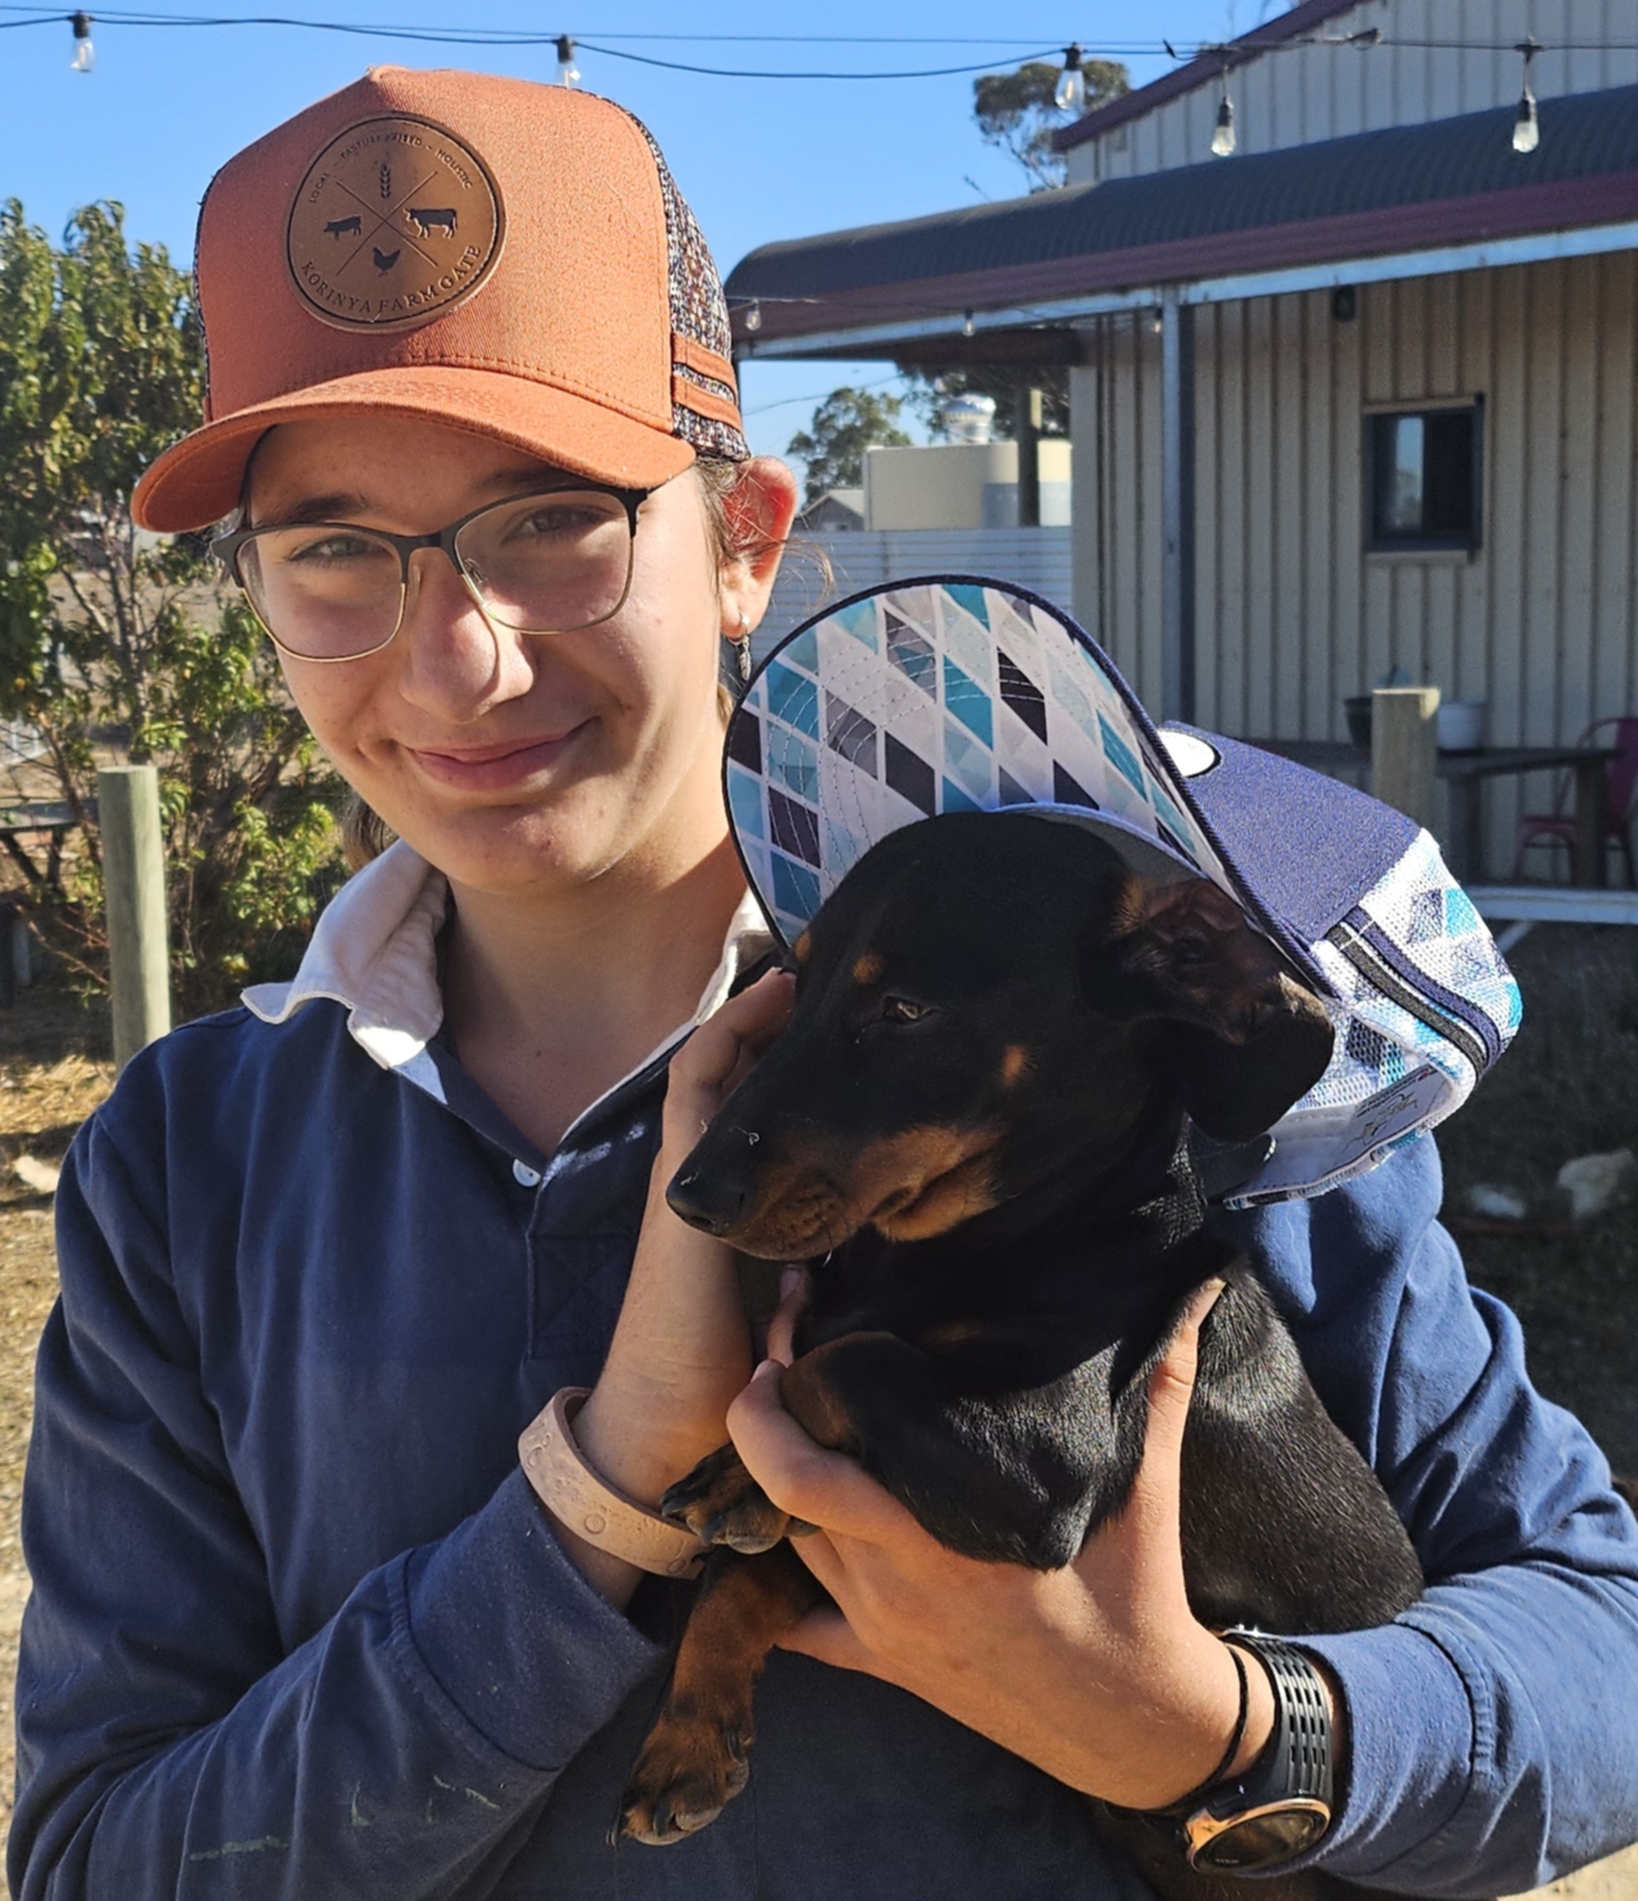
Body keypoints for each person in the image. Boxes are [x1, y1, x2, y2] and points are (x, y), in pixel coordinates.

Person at [9, 65, 1638, 1901]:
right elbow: (100, 1861)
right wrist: (599, 1495)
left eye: (553, 518)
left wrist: (1230, 1737)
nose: (458, 660)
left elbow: (1602, 1654)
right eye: (331, 552)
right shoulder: (193, 1156)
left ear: (750, 541)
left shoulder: (1144, 1040)